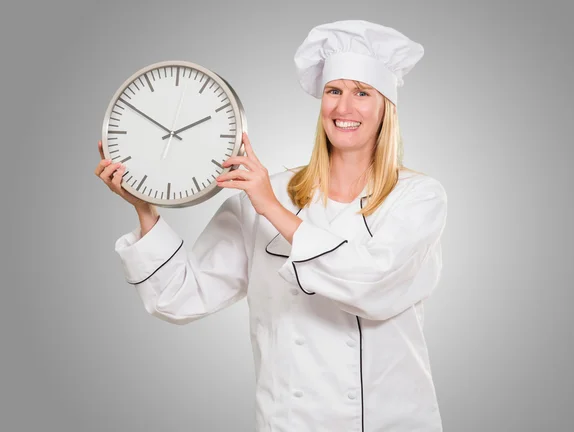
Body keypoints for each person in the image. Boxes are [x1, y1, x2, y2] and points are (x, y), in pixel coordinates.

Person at [95, 19, 448, 432]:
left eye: (362, 93)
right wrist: (146, 211)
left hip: (391, 422)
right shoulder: (263, 196)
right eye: (334, 91)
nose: (344, 108)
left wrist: (271, 208)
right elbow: (180, 297)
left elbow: (368, 284)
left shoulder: (418, 197)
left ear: (385, 105)